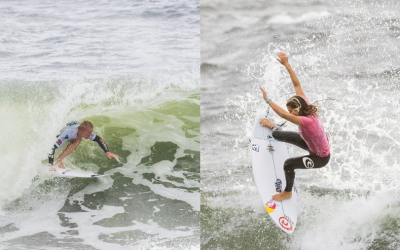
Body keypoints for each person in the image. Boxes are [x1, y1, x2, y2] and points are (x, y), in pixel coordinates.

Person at [259, 52, 330, 202]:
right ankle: (273, 126)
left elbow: (284, 115)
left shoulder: (306, 120)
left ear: (298, 110)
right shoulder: (304, 104)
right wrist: (287, 65)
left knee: (289, 164)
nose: (291, 113)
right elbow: (297, 85)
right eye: (290, 111)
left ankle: (287, 192)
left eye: (292, 111)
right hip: (311, 144)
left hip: (320, 158)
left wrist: (268, 99)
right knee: (277, 134)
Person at [48, 120, 118, 170]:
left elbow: (99, 139)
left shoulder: (84, 131)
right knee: (78, 139)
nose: (90, 134)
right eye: (89, 132)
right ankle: (56, 162)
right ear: (82, 130)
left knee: (78, 139)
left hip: (72, 125)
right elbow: (51, 148)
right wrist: (51, 165)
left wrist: (107, 151)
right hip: (62, 130)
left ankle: (59, 161)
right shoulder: (68, 133)